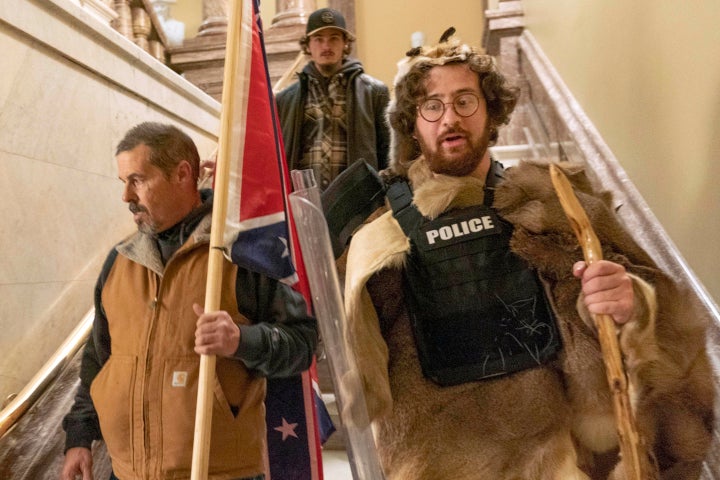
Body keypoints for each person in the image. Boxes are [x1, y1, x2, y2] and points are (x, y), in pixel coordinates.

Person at [339, 30, 714, 479]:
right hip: (438, 460)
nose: (449, 119)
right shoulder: (379, 233)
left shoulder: (558, 206)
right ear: (413, 124)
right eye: (432, 106)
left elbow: (660, 312)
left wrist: (631, 302)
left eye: (465, 101)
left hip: (557, 460)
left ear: (491, 111)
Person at [60, 122, 318, 480]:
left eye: (138, 180)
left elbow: (303, 344)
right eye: (124, 183)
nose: (127, 197)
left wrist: (241, 341)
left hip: (221, 473)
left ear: (182, 174)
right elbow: (98, 359)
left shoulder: (244, 254)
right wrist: (79, 436)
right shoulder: (119, 263)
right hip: (127, 472)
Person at [275, 7, 390, 192]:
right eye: (319, 39)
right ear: (308, 45)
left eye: (334, 38)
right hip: (303, 203)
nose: (326, 46)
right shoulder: (285, 100)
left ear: (345, 43)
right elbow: (270, 156)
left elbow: (389, 153)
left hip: (358, 204)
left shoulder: (375, 92)